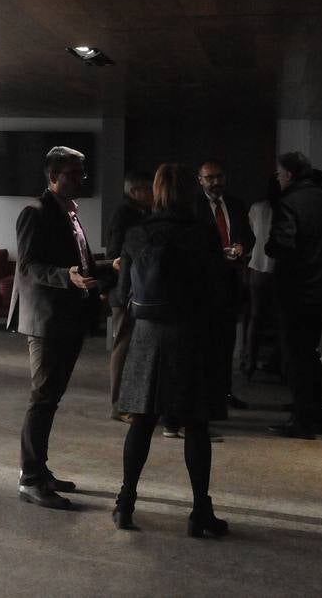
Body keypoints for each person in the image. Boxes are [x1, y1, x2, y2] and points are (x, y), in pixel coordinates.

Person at [112, 163, 228, 536]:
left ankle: (125, 503)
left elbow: (120, 294)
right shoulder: (203, 234)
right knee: (196, 425)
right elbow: (218, 293)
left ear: (157, 192)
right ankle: (200, 513)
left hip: (147, 337)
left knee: (142, 423)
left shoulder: (137, 234)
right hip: (191, 335)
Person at [8, 145, 116, 510]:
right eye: (73, 174)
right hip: (47, 321)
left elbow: (79, 264)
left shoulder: (70, 212)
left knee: (50, 399)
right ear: (53, 176)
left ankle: (40, 470)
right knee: (42, 399)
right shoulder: (34, 213)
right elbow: (28, 267)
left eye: (82, 173)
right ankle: (29, 479)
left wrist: (108, 266)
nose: (81, 179)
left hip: (68, 319)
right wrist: (65, 277)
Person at [266, 151, 322, 439]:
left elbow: (283, 244)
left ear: (290, 175)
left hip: (295, 290)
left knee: (296, 357)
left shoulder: (288, 202)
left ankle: (302, 421)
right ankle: (316, 415)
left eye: (280, 174)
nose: (278, 178)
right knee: (312, 353)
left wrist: (270, 247)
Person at [194, 159, 254, 411]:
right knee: (204, 343)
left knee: (227, 341)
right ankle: (205, 395)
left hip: (230, 280)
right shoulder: (193, 207)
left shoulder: (236, 204)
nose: (215, 182)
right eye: (209, 178)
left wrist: (241, 245)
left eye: (219, 176)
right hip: (204, 284)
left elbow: (248, 235)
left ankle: (224, 392)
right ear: (200, 180)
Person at [105, 171, 153, 421]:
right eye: (149, 189)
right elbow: (114, 254)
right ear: (136, 192)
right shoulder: (124, 214)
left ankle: (130, 402)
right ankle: (118, 406)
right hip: (124, 291)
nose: (154, 193)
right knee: (122, 347)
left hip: (136, 290)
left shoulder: (143, 213)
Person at [243, 175, 282, 376]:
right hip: (280, 269)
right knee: (281, 319)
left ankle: (250, 362)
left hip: (257, 266)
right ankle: (279, 363)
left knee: (255, 317)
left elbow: (250, 235)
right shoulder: (287, 209)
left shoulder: (257, 208)